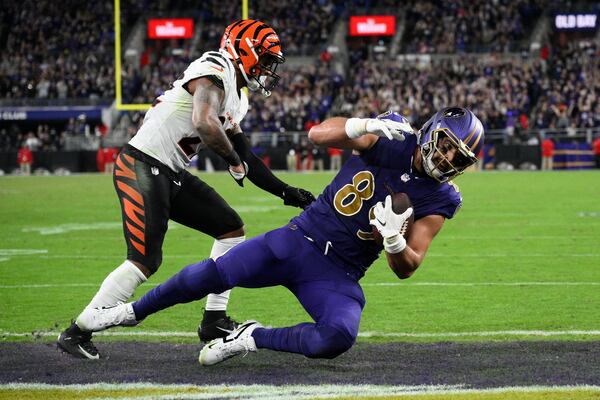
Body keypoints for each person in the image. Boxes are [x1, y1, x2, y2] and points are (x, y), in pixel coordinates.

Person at [77, 107, 484, 364]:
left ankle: (250, 338)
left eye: (457, 157)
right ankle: (129, 313)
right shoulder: (391, 135)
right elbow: (317, 135)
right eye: (446, 145)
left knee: (338, 336)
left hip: (337, 274)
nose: (447, 158)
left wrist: (394, 242)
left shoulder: (443, 197)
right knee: (213, 274)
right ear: (432, 131)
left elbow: (409, 265)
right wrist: (363, 125)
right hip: (297, 239)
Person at [57, 19, 316, 360]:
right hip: (141, 164)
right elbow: (204, 122)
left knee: (230, 228)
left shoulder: (238, 96)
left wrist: (286, 191)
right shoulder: (216, 67)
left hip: (170, 170)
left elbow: (247, 155)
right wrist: (232, 159)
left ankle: (213, 320)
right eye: (265, 59)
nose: (268, 68)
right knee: (145, 259)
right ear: (244, 51)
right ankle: (78, 331)